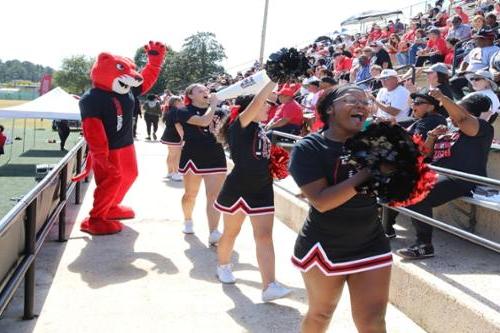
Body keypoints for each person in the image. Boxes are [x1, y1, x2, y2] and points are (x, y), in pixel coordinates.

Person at [289, 85, 392, 332]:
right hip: (325, 245)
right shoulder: (308, 148)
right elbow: (322, 202)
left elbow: (392, 191)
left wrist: (401, 168)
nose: (361, 105)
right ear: (329, 109)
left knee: (373, 320)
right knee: (321, 314)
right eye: (351, 100)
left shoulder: (373, 144)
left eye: (365, 101)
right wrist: (369, 171)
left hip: (371, 241)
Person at [214, 81, 291, 302]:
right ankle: (223, 266)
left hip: (262, 189)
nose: (269, 108)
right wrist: (274, 79)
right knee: (231, 232)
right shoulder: (241, 125)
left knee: (265, 236)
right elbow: (258, 100)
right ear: (252, 107)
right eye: (266, 105)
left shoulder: (260, 128)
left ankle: (269, 286)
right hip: (239, 188)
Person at [398, 91, 494, 259]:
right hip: (436, 172)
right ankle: (386, 228)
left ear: (468, 111)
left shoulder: (482, 127)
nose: (451, 112)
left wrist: (443, 98)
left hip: (460, 178)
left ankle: (424, 245)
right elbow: (425, 153)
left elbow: (463, 119)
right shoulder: (450, 128)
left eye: (458, 106)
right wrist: (432, 136)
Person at [176, 83, 226, 245]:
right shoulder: (183, 111)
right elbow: (204, 121)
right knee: (191, 194)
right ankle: (188, 219)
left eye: (206, 89)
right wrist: (213, 105)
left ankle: (213, 232)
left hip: (215, 156)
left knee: (214, 196)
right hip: (193, 156)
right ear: (190, 95)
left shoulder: (219, 111)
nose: (206, 91)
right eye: (200, 90)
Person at [160, 96, 184, 181]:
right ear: (176, 102)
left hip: (169, 136)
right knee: (176, 156)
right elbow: (178, 125)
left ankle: (170, 172)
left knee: (171, 155)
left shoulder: (170, 110)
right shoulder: (176, 111)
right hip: (174, 137)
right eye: (181, 101)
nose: (182, 103)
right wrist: (183, 137)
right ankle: (175, 173)